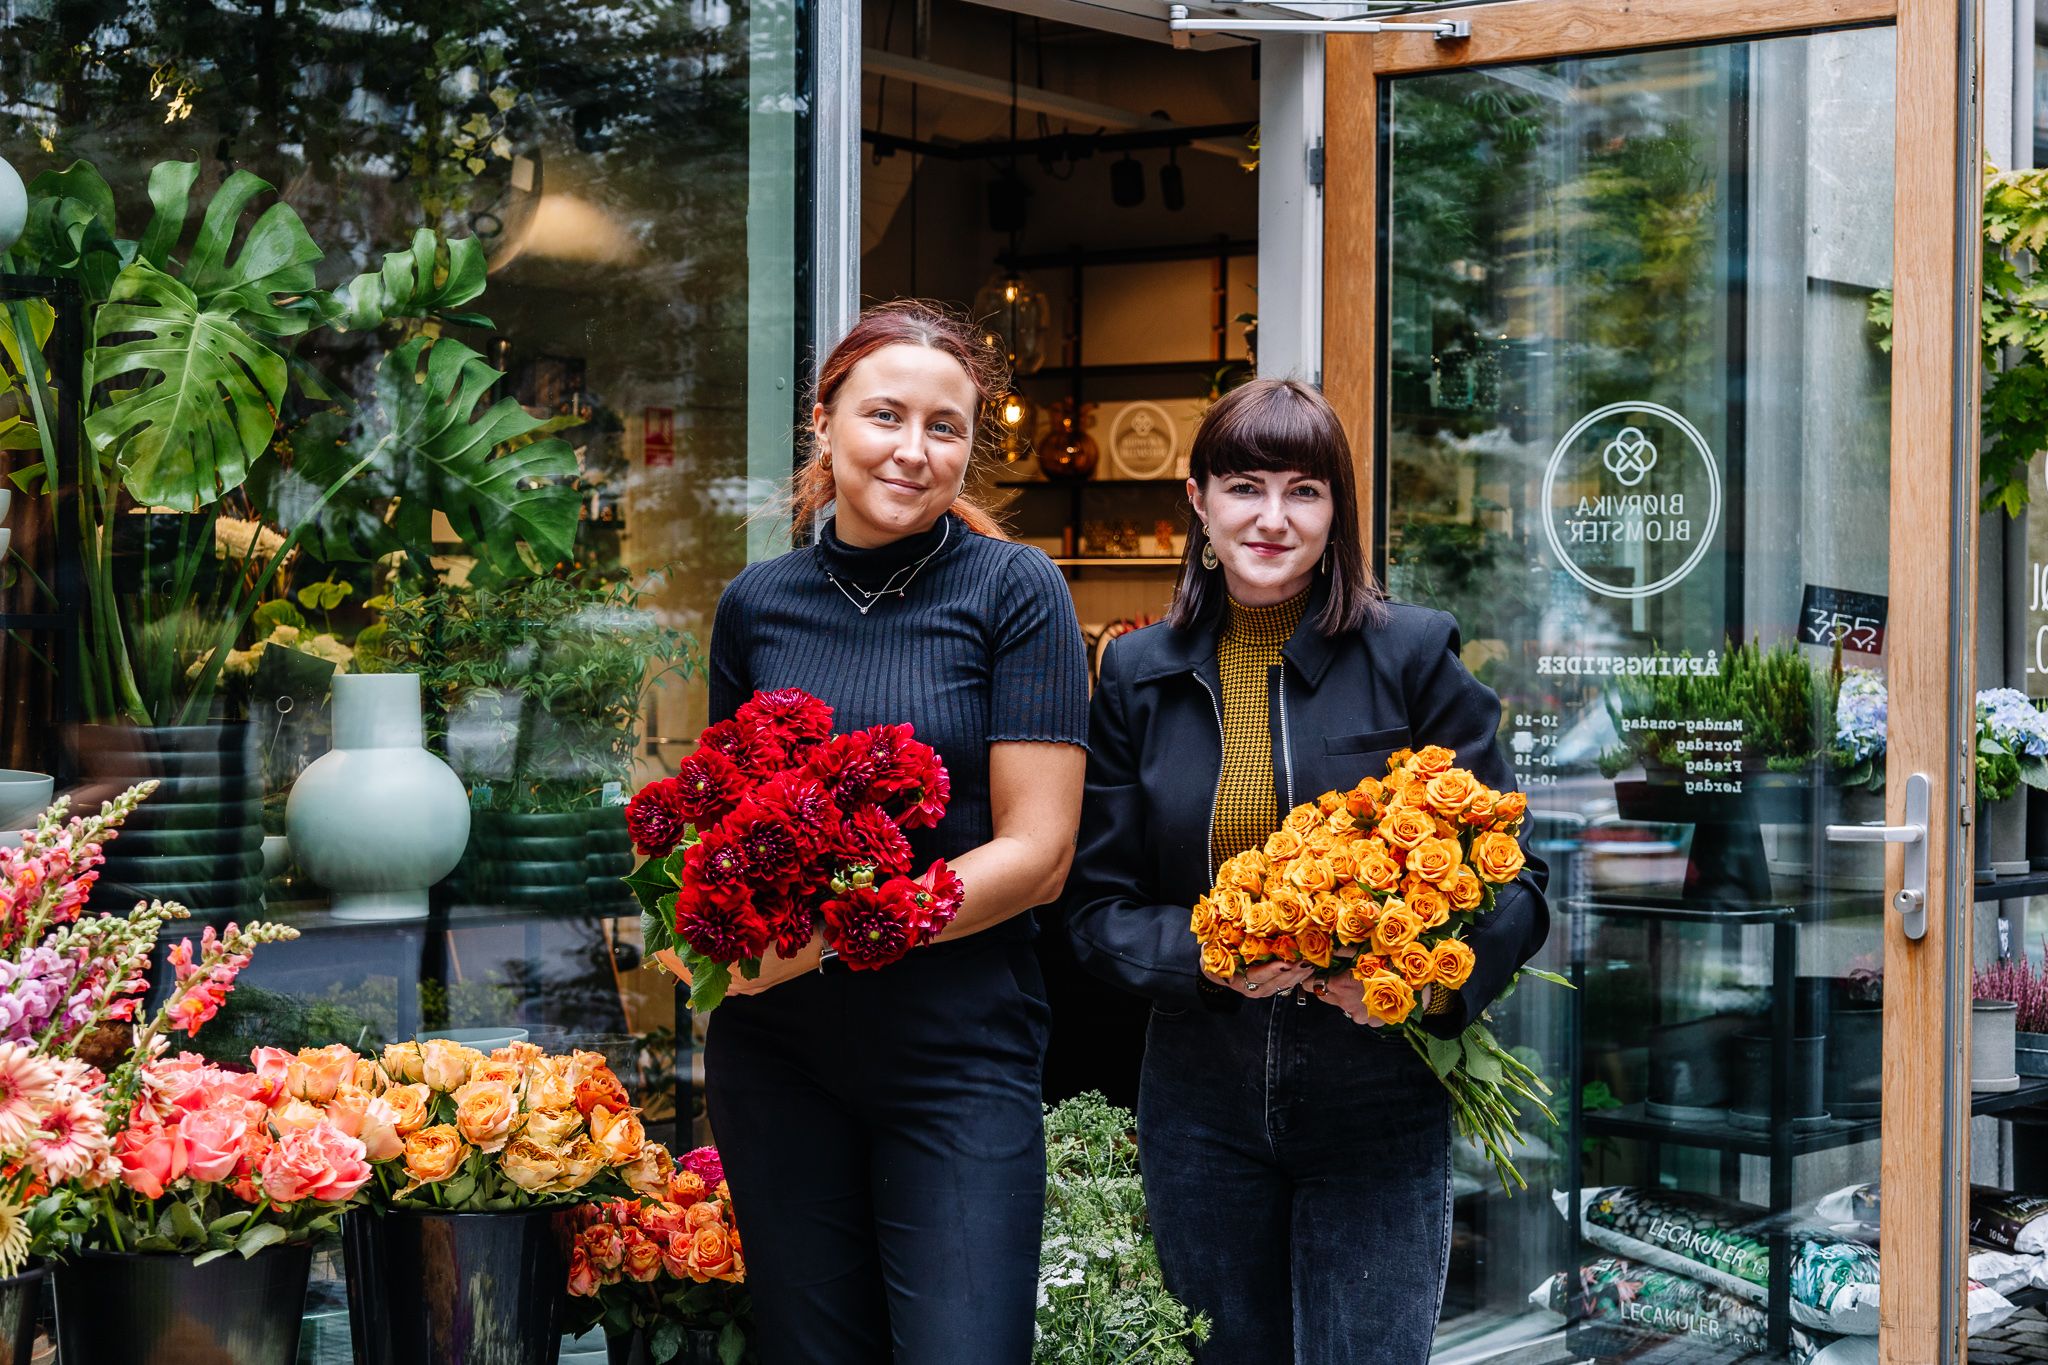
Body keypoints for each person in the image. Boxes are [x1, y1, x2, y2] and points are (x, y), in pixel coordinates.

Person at [1062, 378, 1550, 1365]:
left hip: (1374, 1100)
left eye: (1304, 491)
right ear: (1197, 501)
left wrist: (1410, 991)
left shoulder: (1409, 655)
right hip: (1198, 1101)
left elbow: (1519, 889)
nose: (1272, 519)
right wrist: (1206, 956)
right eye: (1244, 486)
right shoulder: (1136, 676)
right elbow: (1093, 909)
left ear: (1337, 513)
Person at [677, 300, 1089, 1364]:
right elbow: (721, 827)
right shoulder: (756, 604)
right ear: (824, 423)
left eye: (944, 427)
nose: (913, 450)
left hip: (954, 1054)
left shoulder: (1015, 591)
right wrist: (694, 936)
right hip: (778, 1060)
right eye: (884, 415)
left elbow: (1036, 857)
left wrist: (832, 937)